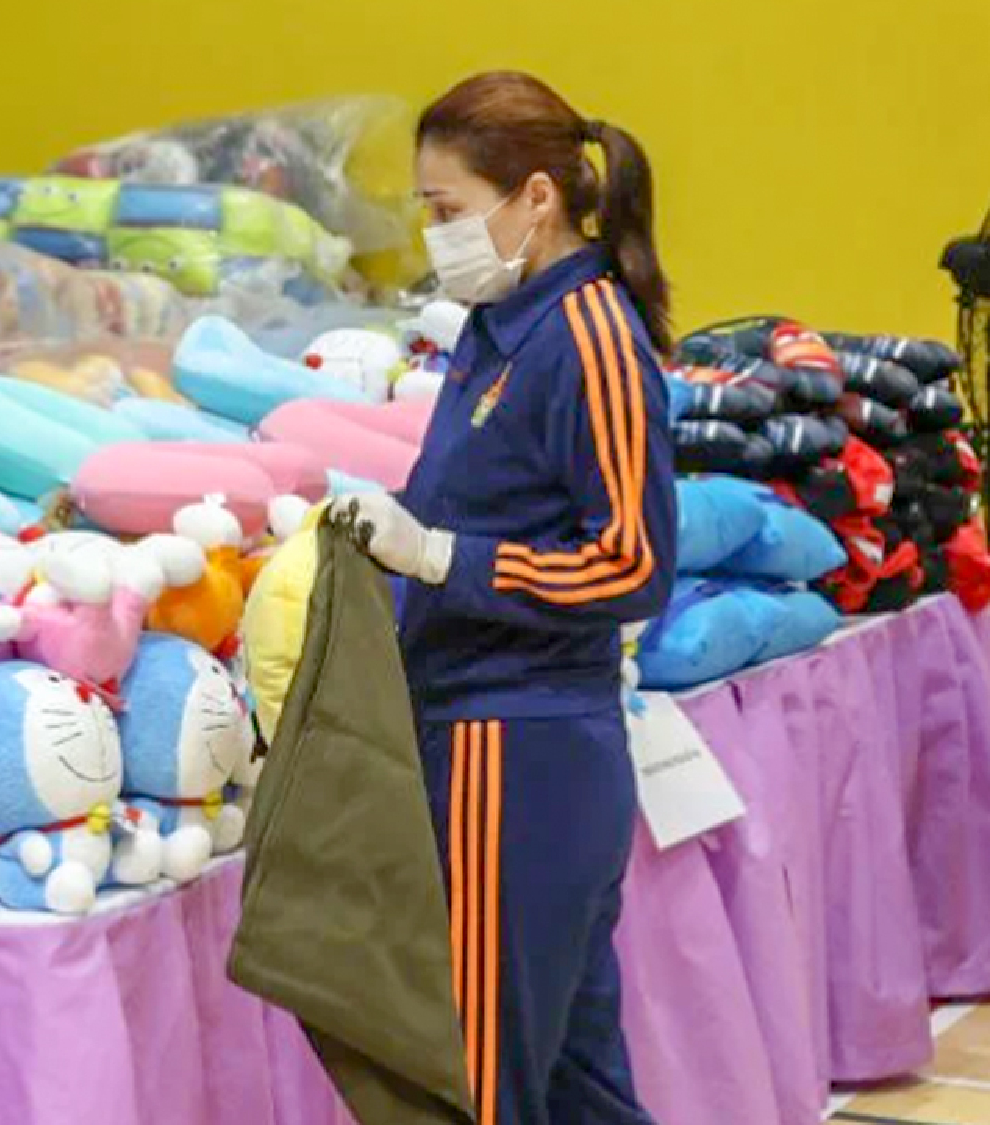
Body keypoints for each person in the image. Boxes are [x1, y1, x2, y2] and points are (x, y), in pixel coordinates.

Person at [329, 71, 677, 1125]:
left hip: (514, 746)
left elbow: (630, 565)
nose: (433, 233)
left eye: (444, 210)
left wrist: (440, 559)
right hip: (466, 726)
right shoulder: (495, 325)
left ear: (534, 198)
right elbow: (481, 498)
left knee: (475, 1082)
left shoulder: (590, 339)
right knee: (571, 1082)